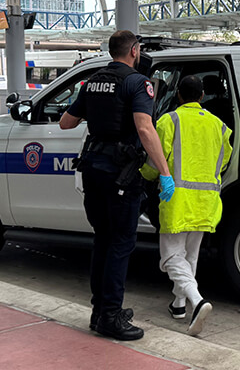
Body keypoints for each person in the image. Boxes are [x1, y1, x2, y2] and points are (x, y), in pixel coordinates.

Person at [60, 30, 173, 341]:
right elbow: (144, 127)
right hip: (120, 174)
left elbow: (65, 122)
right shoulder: (138, 82)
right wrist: (164, 172)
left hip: (92, 169)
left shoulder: (93, 80)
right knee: (121, 243)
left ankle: (100, 312)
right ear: (134, 51)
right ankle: (111, 315)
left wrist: (97, 113)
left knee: (103, 240)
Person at [141, 75, 232, 336]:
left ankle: (197, 300)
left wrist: (144, 175)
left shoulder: (169, 121)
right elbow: (224, 160)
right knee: (190, 255)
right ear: (202, 97)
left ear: (179, 96)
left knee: (171, 256)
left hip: (177, 199)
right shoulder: (219, 126)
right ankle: (179, 304)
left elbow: (153, 160)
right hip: (207, 201)